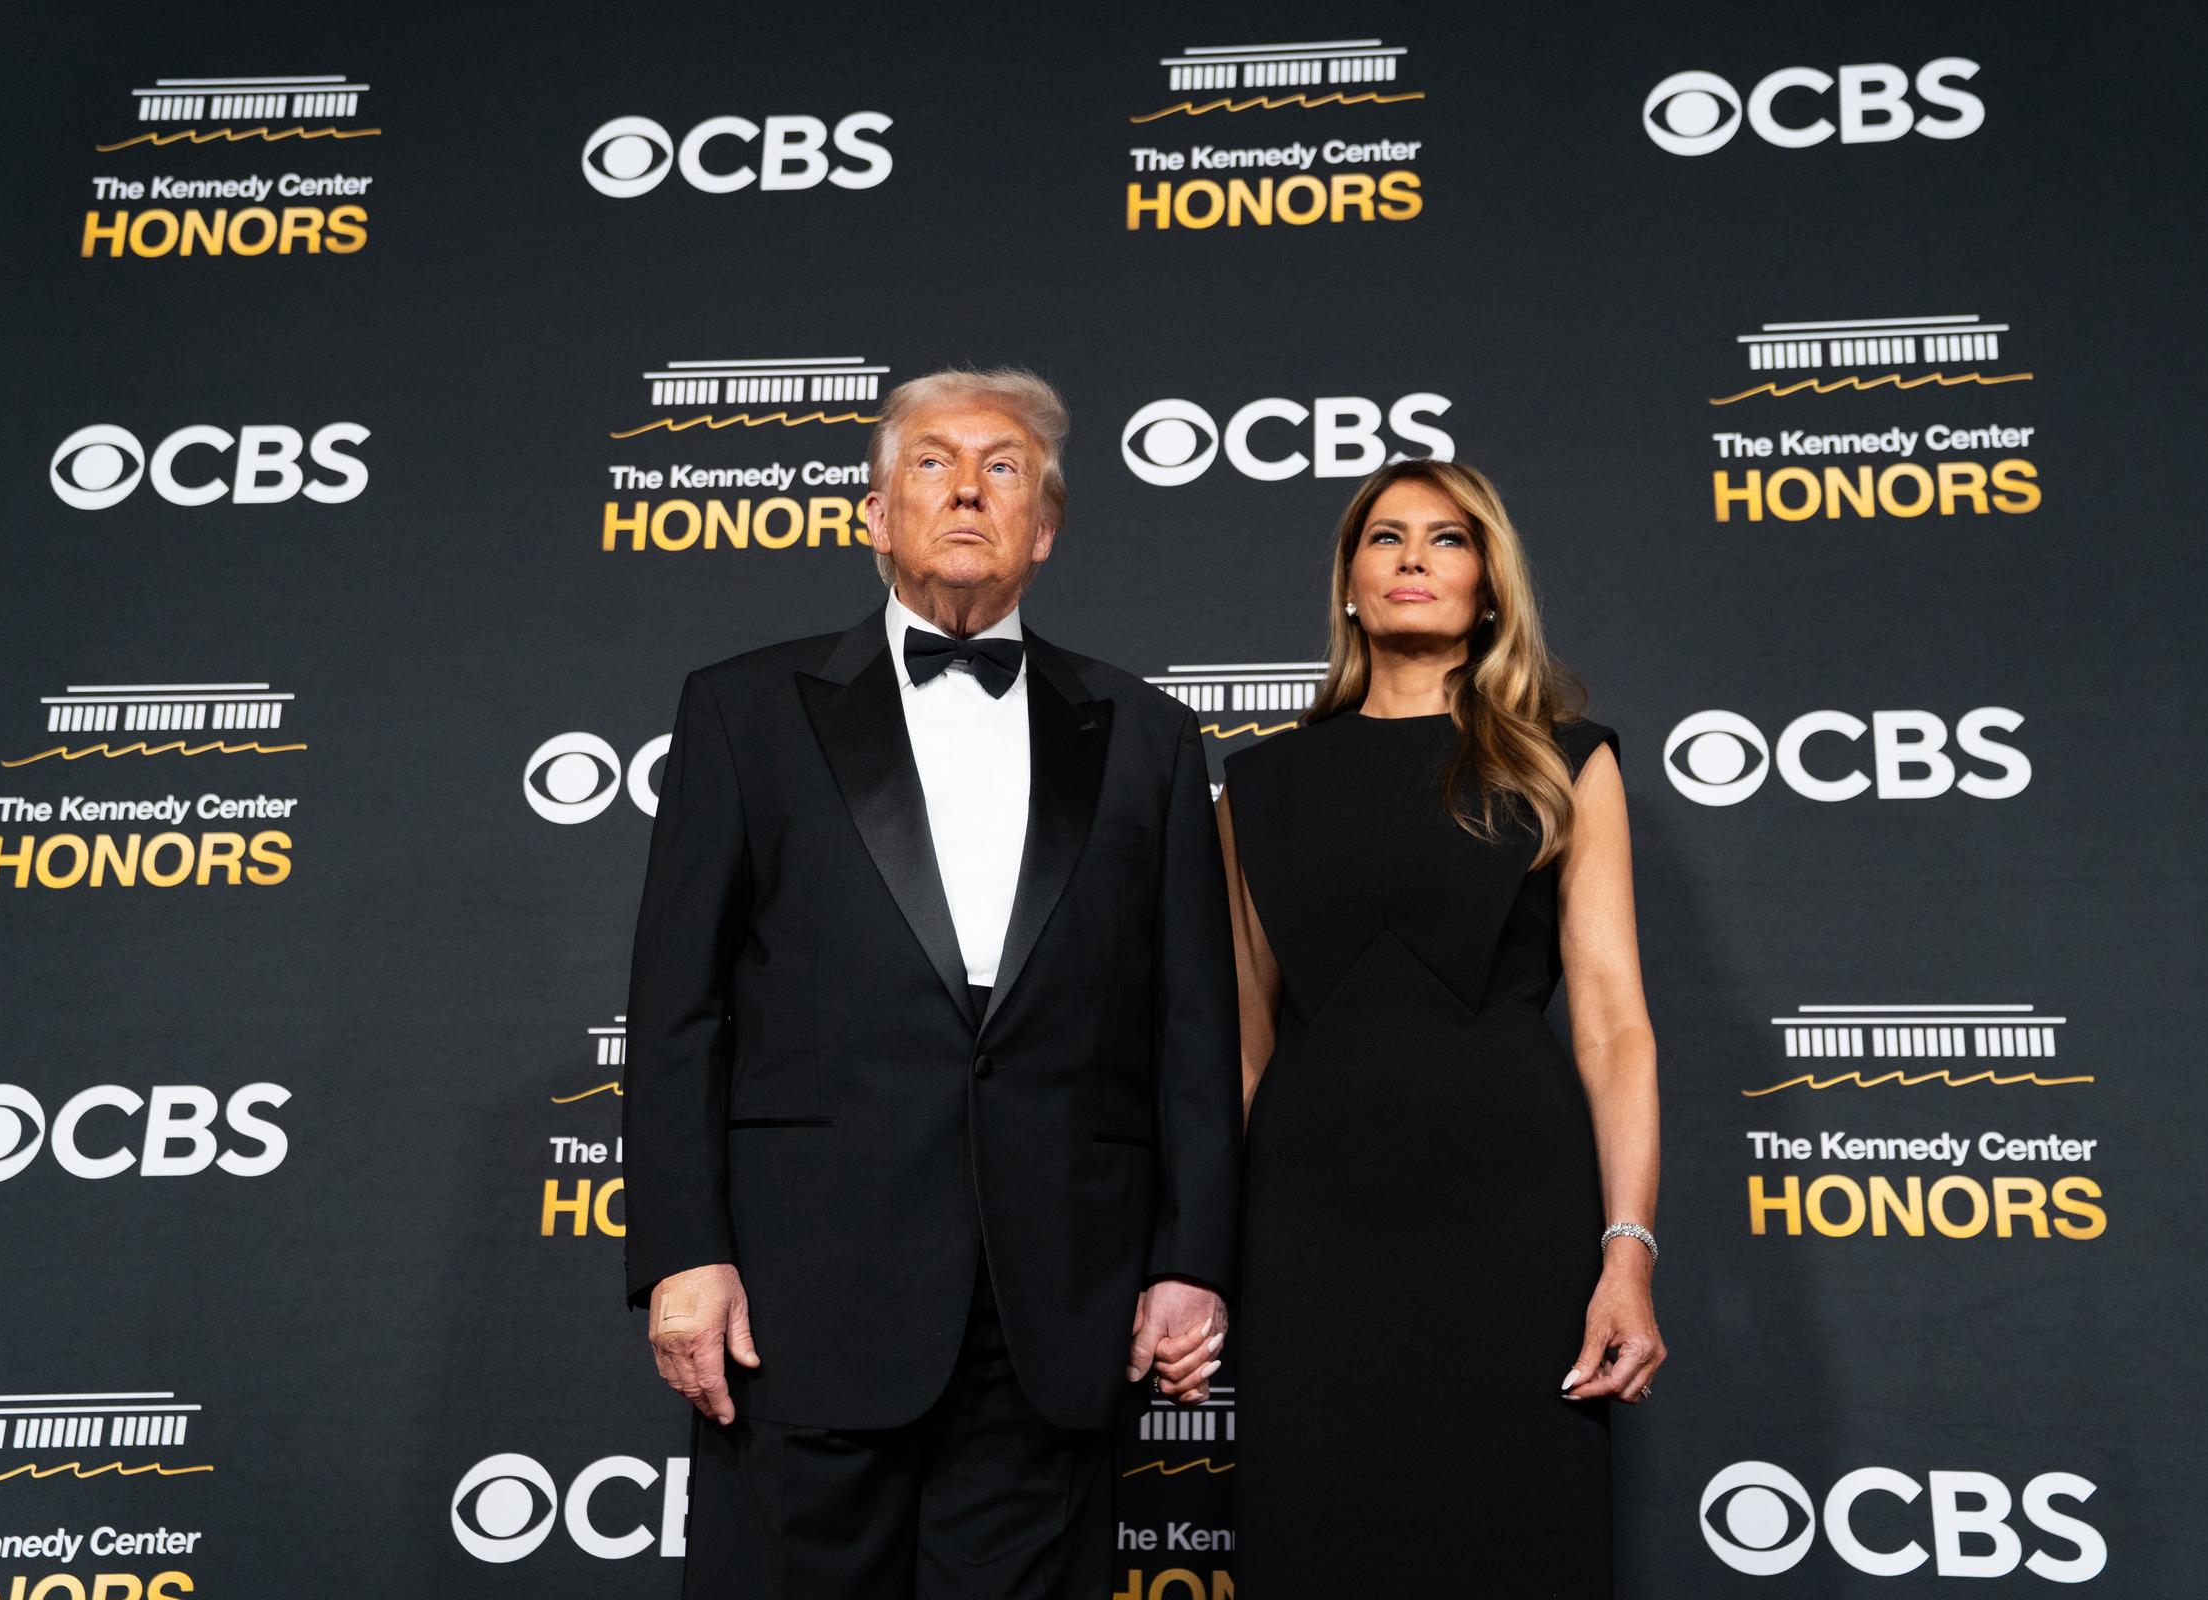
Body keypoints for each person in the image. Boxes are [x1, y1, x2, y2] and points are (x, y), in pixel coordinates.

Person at [620, 367, 1241, 1599]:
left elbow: (1192, 1024)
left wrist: (1192, 1258)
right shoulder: (743, 709)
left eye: (1004, 466)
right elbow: (679, 1007)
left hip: (1054, 1303)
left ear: (1046, 528)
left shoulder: (1148, 734)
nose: (968, 487)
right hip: (799, 1306)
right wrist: (682, 1250)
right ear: (874, 513)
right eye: (933, 463)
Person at [1213, 458, 1666, 1598]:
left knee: (1515, 1535)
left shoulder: (1568, 762)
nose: (1415, 557)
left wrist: (1628, 1248)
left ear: (1490, 587)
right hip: (1308, 1220)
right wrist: (1200, 1257)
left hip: (1513, 1210)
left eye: (1449, 539)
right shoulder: (1253, 788)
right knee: (1316, 1537)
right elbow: (1241, 1039)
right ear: (1352, 586)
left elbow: (1612, 1022)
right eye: (1388, 537)